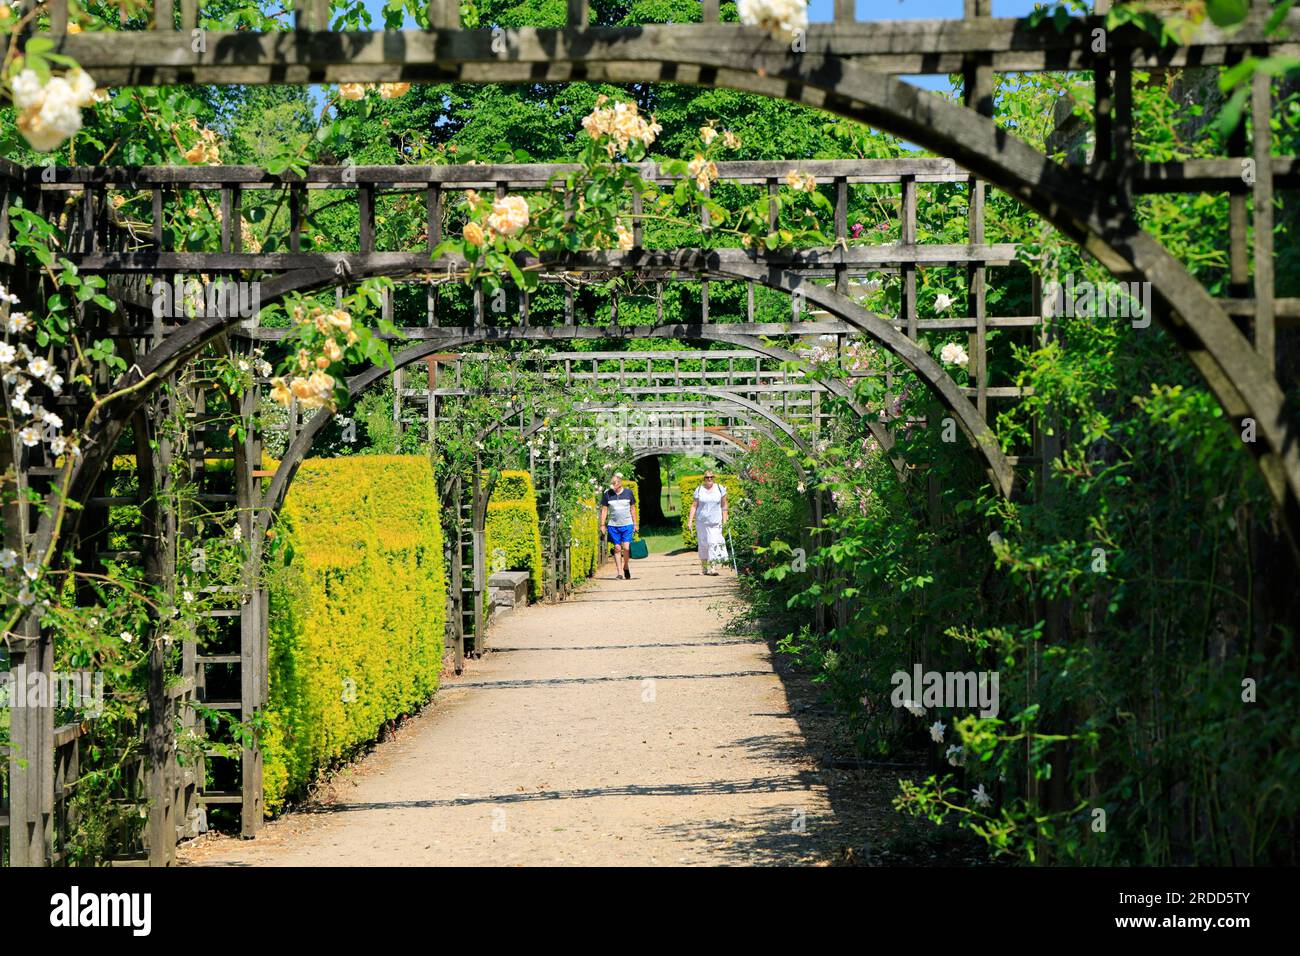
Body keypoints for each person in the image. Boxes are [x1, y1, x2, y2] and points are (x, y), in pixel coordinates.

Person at [687, 471, 728, 575]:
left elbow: (724, 506)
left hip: (715, 522)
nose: (709, 479)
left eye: (711, 477)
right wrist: (690, 521)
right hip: (701, 522)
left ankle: (713, 568)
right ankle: (704, 568)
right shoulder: (699, 489)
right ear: (704, 479)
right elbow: (694, 506)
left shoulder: (720, 488)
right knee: (703, 544)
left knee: (713, 543)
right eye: (707, 477)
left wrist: (725, 520)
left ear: (713, 477)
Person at [599, 472, 638, 580]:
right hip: (613, 525)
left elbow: (633, 508)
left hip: (627, 524)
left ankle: (625, 566)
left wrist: (635, 523)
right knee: (617, 548)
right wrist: (602, 524)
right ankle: (620, 572)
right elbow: (604, 509)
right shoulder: (608, 494)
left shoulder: (628, 493)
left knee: (626, 547)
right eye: (611, 483)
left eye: (614, 483)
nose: (612, 485)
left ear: (620, 483)